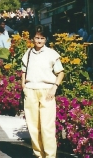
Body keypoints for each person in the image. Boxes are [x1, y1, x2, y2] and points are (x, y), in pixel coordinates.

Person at [21, 25, 65, 158]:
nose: (39, 41)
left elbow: (60, 72)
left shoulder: (52, 54)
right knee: (33, 126)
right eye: (36, 38)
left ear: (46, 39)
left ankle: (50, 155)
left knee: (47, 127)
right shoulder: (28, 53)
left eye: (42, 38)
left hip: (47, 92)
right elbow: (23, 71)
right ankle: (38, 154)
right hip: (30, 91)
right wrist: (24, 86)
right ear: (32, 38)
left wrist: (54, 87)